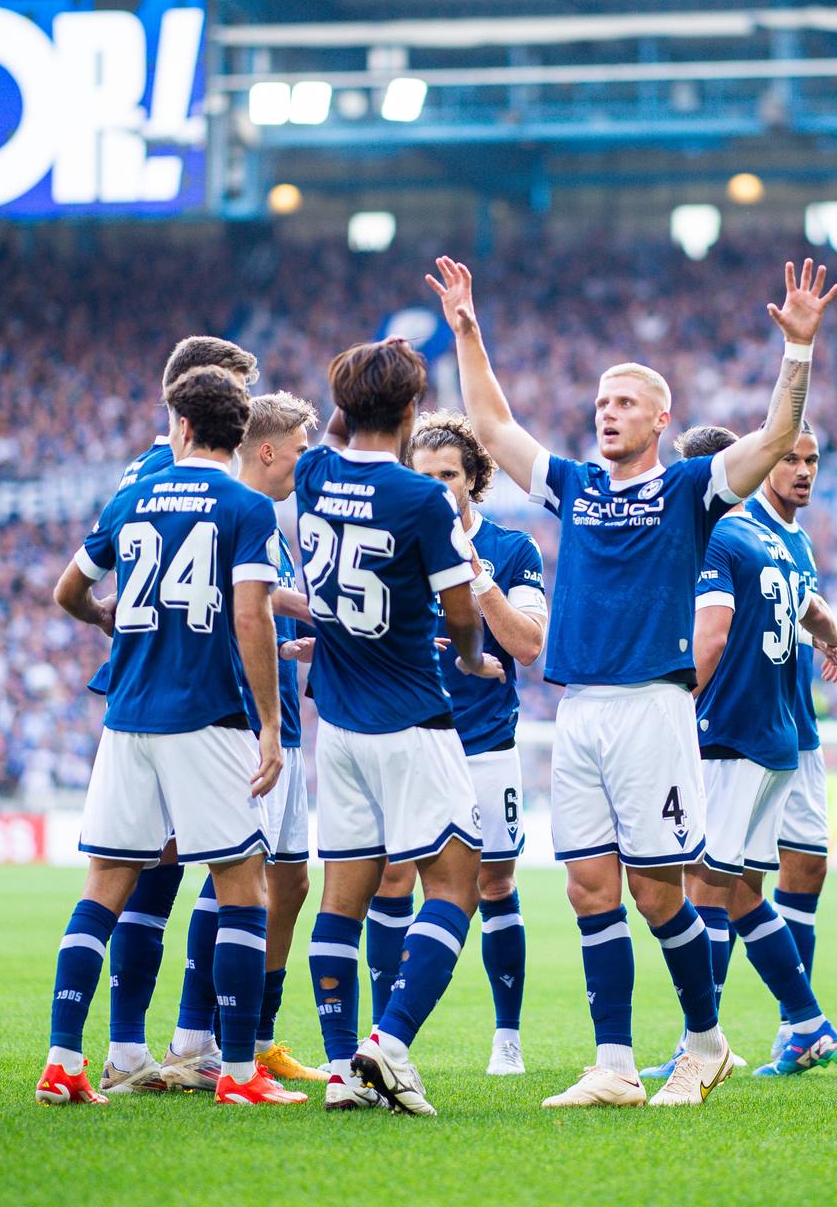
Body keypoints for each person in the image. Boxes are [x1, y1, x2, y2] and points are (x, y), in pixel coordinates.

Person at [428, 255, 837, 1107]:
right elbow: (493, 425)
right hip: (578, 711)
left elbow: (769, 442)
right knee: (588, 886)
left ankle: (704, 1044)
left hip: (654, 706)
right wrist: (468, 332)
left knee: (658, 892)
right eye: (599, 402)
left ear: (661, 417)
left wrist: (796, 353)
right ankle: (613, 1064)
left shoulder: (692, 487)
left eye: (622, 403)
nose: (604, 413)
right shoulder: (575, 487)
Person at [36, 366, 306, 1107]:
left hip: (127, 716)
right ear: (236, 432)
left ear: (180, 426)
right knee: (243, 889)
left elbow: (67, 590)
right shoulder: (246, 506)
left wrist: (108, 622)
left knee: (103, 889)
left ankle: (64, 1060)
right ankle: (240, 1076)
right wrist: (273, 726)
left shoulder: (131, 496)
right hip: (206, 715)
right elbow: (252, 617)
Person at [300, 338, 503, 1117]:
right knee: (457, 883)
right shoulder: (425, 501)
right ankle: (385, 1045)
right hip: (412, 716)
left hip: (339, 724)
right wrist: (472, 656)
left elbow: (322, 443)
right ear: (414, 412)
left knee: (343, 896)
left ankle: (340, 1065)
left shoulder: (315, 476)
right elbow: (460, 612)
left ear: (344, 411)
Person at [95, 335, 261, 1094]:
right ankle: (188, 1046)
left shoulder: (138, 477)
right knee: (211, 873)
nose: (240, 415)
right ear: (187, 406)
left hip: (143, 689)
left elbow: (86, 580)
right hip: (196, 692)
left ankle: (146, 1045)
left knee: (157, 871)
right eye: (230, 397)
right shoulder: (196, 477)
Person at [366, 411, 547, 1078]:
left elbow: (530, 645)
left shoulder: (511, 547)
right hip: (406, 739)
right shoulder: (388, 542)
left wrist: (476, 578)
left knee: (494, 883)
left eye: (450, 474)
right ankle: (384, 1035)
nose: (439, 486)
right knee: (390, 880)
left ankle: (507, 1038)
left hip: (484, 743)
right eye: (426, 475)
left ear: (476, 480)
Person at [160, 392, 327, 1088]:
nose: (301, 464)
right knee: (237, 880)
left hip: (283, 728)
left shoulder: (273, 527)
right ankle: (195, 1043)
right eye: (295, 451)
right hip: (239, 726)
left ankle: (254, 1040)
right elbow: (240, 614)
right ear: (265, 451)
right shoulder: (232, 513)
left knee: (288, 882)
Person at [744, 423, 837, 1066]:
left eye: (812, 459)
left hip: (799, 727)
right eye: (790, 458)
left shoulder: (795, 539)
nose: (803, 469)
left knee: (806, 870)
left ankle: (797, 1029)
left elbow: (804, 600)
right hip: (747, 732)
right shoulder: (739, 530)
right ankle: (698, 1039)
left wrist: (831, 632)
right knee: (727, 882)